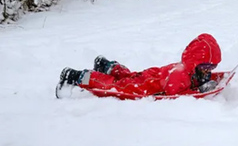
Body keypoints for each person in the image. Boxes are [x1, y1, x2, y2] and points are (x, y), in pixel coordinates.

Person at [56, 33, 222, 99]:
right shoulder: (181, 75)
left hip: (153, 76)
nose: (209, 72)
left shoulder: (188, 68)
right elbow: (174, 94)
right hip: (145, 87)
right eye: (207, 68)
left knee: (130, 76)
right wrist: (199, 91)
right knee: (115, 87)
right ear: (196, 64)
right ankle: (76, 76)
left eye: (212, 68)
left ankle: (107, 66)